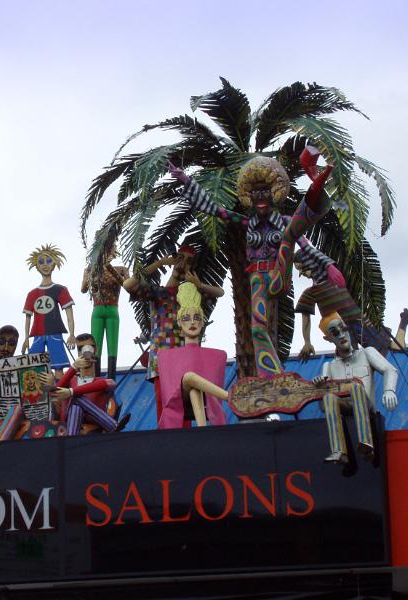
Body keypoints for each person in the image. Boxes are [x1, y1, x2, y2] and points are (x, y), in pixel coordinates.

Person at [167, 147, 340, 378]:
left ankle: (316, 182)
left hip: (278, 274)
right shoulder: (246, 222)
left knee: (289, 234)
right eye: (255, 192)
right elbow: (212, 208)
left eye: (265, 191)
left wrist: (329, 265)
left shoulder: (287, 221)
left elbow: (307, 247)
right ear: (248, 194)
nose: (260, 197)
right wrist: (186, 180)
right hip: (257, 277)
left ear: (274, 192)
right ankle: (271, 375)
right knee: (259, 326)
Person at [123, 245, 224, 419]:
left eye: (188, 261)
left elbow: (219, 292)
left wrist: (198, 285)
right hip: (161, 358)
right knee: (165, 407)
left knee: (185, 405)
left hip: (186, 358)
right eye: (180, 258)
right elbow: (128, 284)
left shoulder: (191, 294)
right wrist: (161, 262)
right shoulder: (158, 293)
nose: (182, 263)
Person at [294, 252, 408, 359]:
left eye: (302, 268)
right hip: (341, 330)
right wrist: (307, 341)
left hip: (359, 320)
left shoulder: (336, 277)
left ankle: (405, 320)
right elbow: (306, 319)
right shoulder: (310, 293)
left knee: (396, 347)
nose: (301, 273)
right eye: (299, 270)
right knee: (347, 360)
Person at [313, 312, 398, 464]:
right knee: (329, 397)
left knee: (356, 388)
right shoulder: (329, 366)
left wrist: (389, 390)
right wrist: (320, 385)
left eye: (343, 329)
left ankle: (366, 442)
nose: (341, 335)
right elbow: (323, 401)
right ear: (329, 338)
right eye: (335, 333)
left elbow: (390, 370)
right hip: (345, 405)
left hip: (365, 403)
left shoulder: (366, 353)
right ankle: (339, 451)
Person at [157, 282, 229, 428]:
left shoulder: (217, 355)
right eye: (186, 318)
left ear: (202, 323)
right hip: (179, 393)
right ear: (179, 323)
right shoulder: (165, 355)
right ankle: (231, 397)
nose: (192, 322)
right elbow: (169, 388)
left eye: (197, 318)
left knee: (195, 388)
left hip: (199, 393)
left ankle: (202, 429)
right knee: (189, 377)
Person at [41, 334, 130, 436]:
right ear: (78, 352)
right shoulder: (71, 380)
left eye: (90, 347)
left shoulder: (102, 381)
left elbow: (107, 383)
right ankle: (113, 426)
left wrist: (71, 392)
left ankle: (71, 438)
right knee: (75, 401)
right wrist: (74, 367)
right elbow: (54, 394)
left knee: (76, 398)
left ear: (95, 350)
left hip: (94, 423)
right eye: (80, 348)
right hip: (70, 421)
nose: (86, 351)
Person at [22, 244, 76, 378]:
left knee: (58, 367)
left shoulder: (60, 289)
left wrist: (72, 334)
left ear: (54, 263)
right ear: (36, 265)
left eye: (48, 261)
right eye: (41, 262)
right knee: (33, 366)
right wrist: (26, 338)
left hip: (55, 332)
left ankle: (59, 394)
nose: (45, 265)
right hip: (37, 335)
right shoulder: (32, 294)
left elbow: (69, 314)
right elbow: (28, 318)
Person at [81, 246, 129, 381]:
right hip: (97, 310)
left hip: (113, 310)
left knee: (112, 347)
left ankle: (112, 379)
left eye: (110, 251)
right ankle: (96, 379)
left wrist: (109, 267)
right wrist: (92, 271)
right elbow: (83, 289)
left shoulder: (121, 270)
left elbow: (127, 285)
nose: (108, 254)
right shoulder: (90, 269)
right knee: (96, 347)